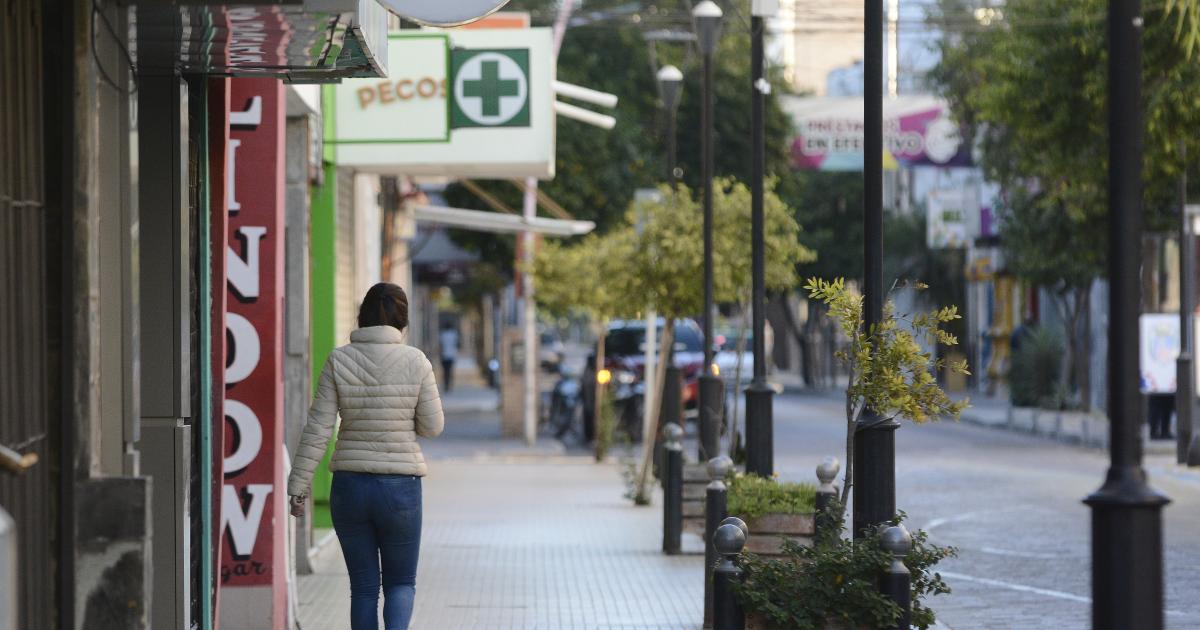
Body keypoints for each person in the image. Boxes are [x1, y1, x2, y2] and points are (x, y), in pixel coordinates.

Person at [287, 282, 444, 630]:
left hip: (350, 487)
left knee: (363, 589)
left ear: (362, 316)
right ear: (403, 319)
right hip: (400, 488)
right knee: (401, 583)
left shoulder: (339, 359)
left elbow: (318, 428)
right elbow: (433, 427)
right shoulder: (416, 361)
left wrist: (298, 485)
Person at [439, 322, 459, 393]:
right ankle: (450, 384)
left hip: (444, 355)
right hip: (452, 355)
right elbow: (457, 344)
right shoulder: (454, 334)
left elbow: (440, 345)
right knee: (450, 371)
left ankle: (446, 385)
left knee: (445, 371)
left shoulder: (442, 334)